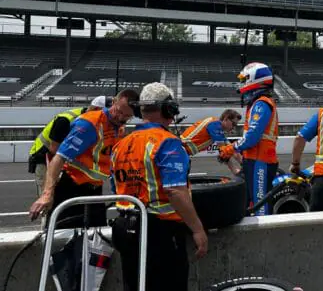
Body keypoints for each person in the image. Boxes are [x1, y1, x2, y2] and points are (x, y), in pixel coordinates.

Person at [110, 82, 207, 291]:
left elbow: (115, 186)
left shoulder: (121, 145)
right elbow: (175, 191)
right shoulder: (168, 142)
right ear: (168, 109)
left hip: (125, 229)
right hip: (160, 232)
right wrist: (197, 229)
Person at [27, 90, 139, 228]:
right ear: (114, 102)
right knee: (64, 238)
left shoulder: (118, 128)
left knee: (97, 238)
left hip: (94, 190)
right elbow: (59, 157)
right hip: (71, 188)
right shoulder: (89, 125)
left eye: (127, 116)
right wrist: (47, 194)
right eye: (118, 111)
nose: (120, 117)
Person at [27, 96, 106, 197]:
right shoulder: (66, 120)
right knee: (47, 193)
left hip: (61, 158)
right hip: (45, 157)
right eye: (104, 114)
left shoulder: (93, 122)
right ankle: (46, 211)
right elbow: (54, 149)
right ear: (95, 109)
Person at [233, 62, 280, 215]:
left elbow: (253, 136)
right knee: (252, 202)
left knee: (260, 206)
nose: (241, 84)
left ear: (253, 79)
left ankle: (265, 237)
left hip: (260, 162)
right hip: (255, 160)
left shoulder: (261, 104)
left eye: (243, 79)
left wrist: (232, 147)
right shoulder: (257, 103)